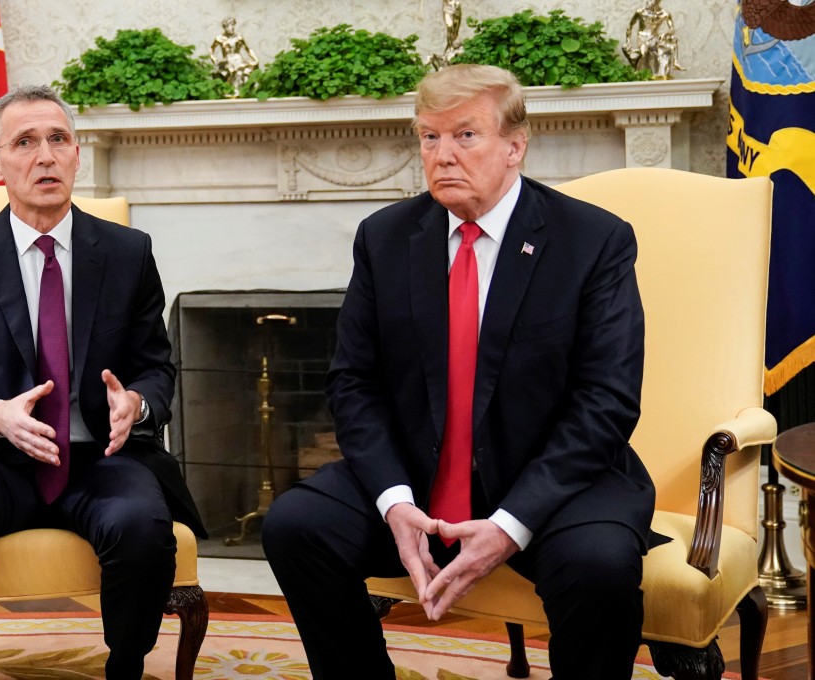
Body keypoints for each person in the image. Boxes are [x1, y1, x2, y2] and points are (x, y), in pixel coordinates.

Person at [262, 64, 656, 680]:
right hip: (418, 479)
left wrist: (510, 524)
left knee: (599, 566)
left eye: (465, 135)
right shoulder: (384, 237)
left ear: (515, 146)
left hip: (552, 483)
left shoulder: (592, 240)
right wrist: (394, 501)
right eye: (429, 137)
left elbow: (606, 400)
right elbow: (353, 382)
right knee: (295, 526)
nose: (442, 155)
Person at [0, 84, 205, 679]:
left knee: (142, 524)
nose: (45, 156)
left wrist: (137, 403)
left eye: (58, 139)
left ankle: (126, 665)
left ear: (76, 155)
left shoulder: (127, 252)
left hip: (100, 457)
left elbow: (156, 367)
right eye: (25, 142)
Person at [209, 17, 258, 96]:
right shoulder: (219, 38)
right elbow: (211, 49)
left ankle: (239, 92)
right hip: (227, 60)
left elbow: (248, 49)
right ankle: (231, 91)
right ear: (225, 27)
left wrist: (255, 59)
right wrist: (213, 58)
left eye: (233, 25)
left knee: (244, 70)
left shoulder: (239, 37)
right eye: (230, 25)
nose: (232, 27)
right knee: (229, 70)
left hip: (238, 59)